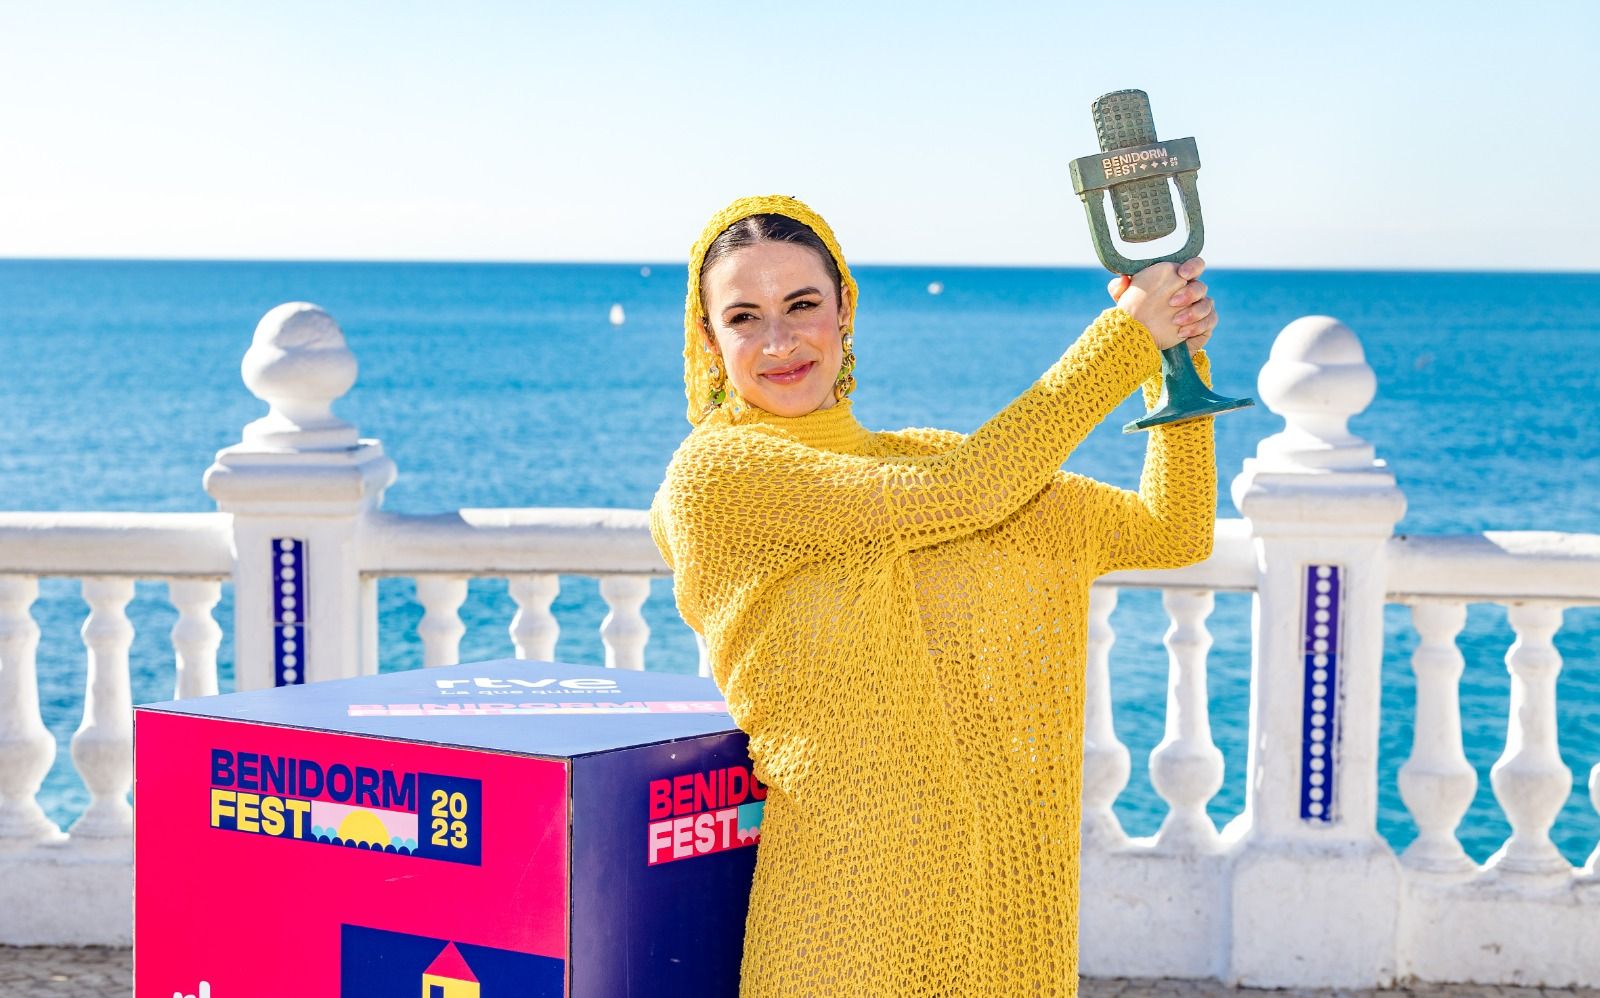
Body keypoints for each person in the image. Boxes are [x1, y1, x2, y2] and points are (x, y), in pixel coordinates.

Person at [648, 193, 1218, 997]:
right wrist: (1126, 338)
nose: (778, 341)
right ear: (709, 339)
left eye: (802, 305)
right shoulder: (719, 477)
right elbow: (979, 486)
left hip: (996, 906)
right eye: (744, 317)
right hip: (845, 912)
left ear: (844, 309)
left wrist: (1179, 363)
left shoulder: (919, 463)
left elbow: (1171, 530)